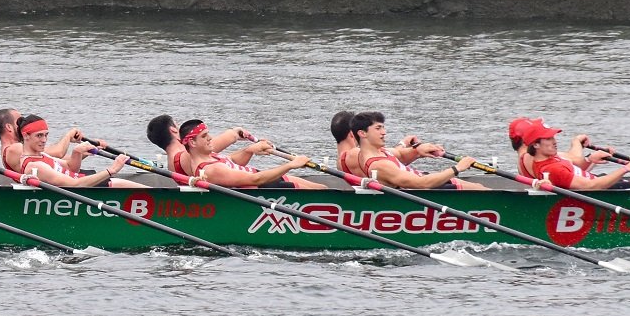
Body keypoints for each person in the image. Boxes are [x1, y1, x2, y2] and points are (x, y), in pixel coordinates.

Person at [509, 118, 630, 192]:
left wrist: (590, 160)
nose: (555, 141)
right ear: (534, 144)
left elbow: (574, 168)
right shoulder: (543, 163)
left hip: (597, 182)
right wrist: (626, 168)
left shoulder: (546, 156)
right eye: (549, 138)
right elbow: (590, 186)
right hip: (601, 189)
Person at [167, 117, 322, 188]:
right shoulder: (210, 169)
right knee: (320, 192)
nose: (210, 138)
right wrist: (292, 164)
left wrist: (250, 150)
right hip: (265, 188)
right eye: (204, 136)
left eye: (208, 133)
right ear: (192, 143)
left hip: (266, 179)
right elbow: (256, 180)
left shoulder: (209, 156)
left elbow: (231, 161)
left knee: (321, 188)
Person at [349, 111, 483, 189]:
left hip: (429, 180)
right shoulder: (378, 165)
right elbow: (422, 184)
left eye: (383, 128)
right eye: (378, 128)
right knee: (481, 189)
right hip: (429, 189)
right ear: (362, 133)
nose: (384, 132)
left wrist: (420, 150)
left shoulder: (378, 151)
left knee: (479, 186)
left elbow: (401, 153)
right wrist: (458, 168)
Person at [16, 115, 131, 187]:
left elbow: (70, 167)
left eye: (46, 135)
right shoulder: (34, 165)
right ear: (26, 136)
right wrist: (112, 169)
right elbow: (75, 184)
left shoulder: (42, 156)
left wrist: (77, 152)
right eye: (39, 136)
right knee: (118, 183)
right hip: (83, 188)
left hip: (84, 183)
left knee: (119, 182)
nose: (44, 140)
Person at [146, 115, 270, 179]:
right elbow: (214, 145)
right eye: (177, 126)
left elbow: (225, 160)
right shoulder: (184, 156)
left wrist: (250, 150)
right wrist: (234, 132)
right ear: (173, 130)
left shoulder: (175, 159)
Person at [331, 110, 440, 182]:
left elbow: (391, 155)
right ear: (353, 133)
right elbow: (400, 157)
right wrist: (417, 150)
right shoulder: (353, 155)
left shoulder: (343, 158)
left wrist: (402, 144)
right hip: (416, 186)